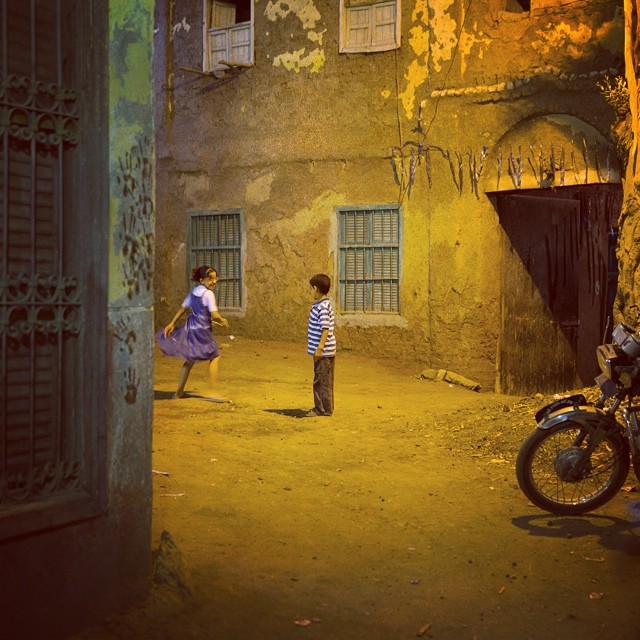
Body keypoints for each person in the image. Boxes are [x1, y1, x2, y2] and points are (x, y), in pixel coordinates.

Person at [157, 265, 229, 400]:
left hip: (191, 330)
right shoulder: (208, 294)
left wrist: (172, 322)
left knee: (190, 360)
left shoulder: (194, 292)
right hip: (203, 331)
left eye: (215, 278)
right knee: (214, 356)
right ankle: (212, 391)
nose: (214, 281)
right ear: (202, 280)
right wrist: (222, 320)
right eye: (210, 279)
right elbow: (214, 315)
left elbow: (182, 308)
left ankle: (178, 392)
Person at [306, 273, 336, 416]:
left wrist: (319, 349)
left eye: (311, 289)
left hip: (323, 353)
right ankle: (327, 408)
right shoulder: (323, 305)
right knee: (325, 380)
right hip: (325, 351)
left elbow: (325, 330)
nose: (310, 292)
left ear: (316, 289)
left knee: (320, 381)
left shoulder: (322, 307)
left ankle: (321, 409)